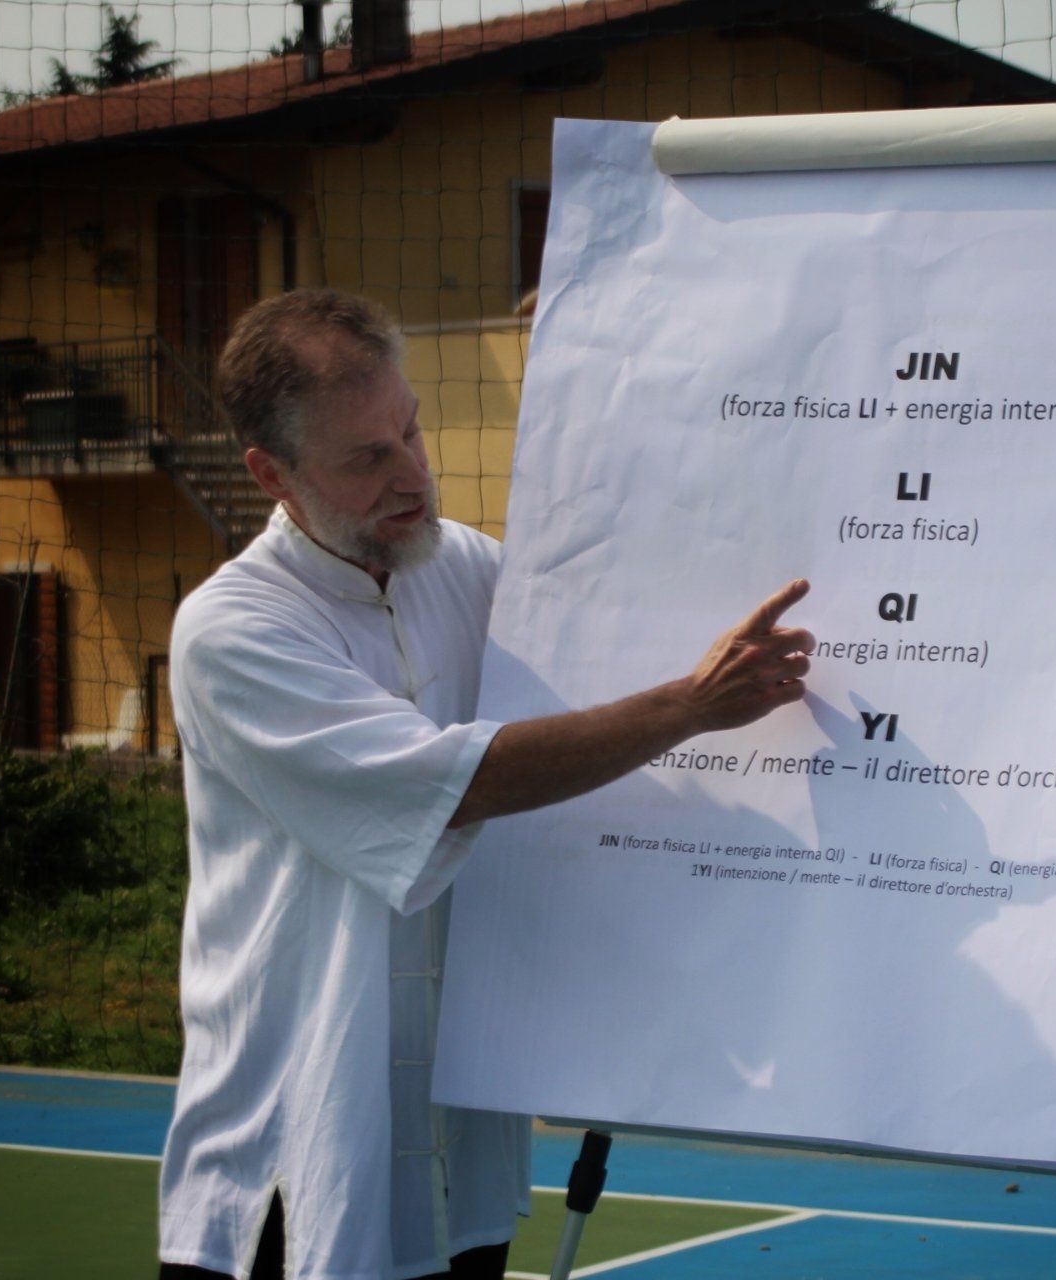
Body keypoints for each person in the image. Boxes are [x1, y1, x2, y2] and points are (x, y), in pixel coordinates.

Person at [157, 289, 813, 1280]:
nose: (412, 472)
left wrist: (635, 375)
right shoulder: (234, 630)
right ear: (272, 474)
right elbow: (464, 780)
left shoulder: (464, 569)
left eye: (410, 429)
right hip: (294, 1152)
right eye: (366, 457)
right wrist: (690, 705)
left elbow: (625, 608)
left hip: (459, 1145)